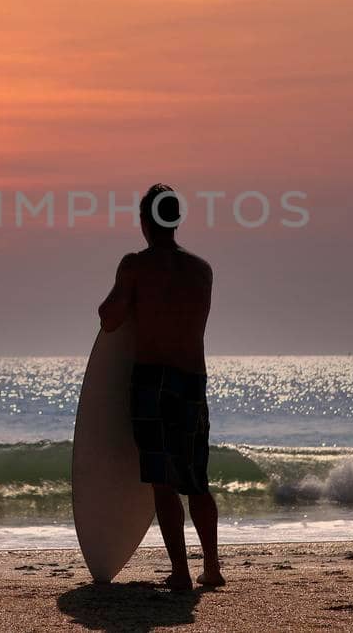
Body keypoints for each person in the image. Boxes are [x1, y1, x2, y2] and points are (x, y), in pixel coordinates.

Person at [98, 183, 221, 590]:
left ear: (145, 221)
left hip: (153, 381)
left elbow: (110, 318)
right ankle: (213, 568)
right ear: (177, 220)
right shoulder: (202, 270)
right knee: (198, 480)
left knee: (163, 482)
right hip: (193, 380)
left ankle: (182, 573)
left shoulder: (136, 266)